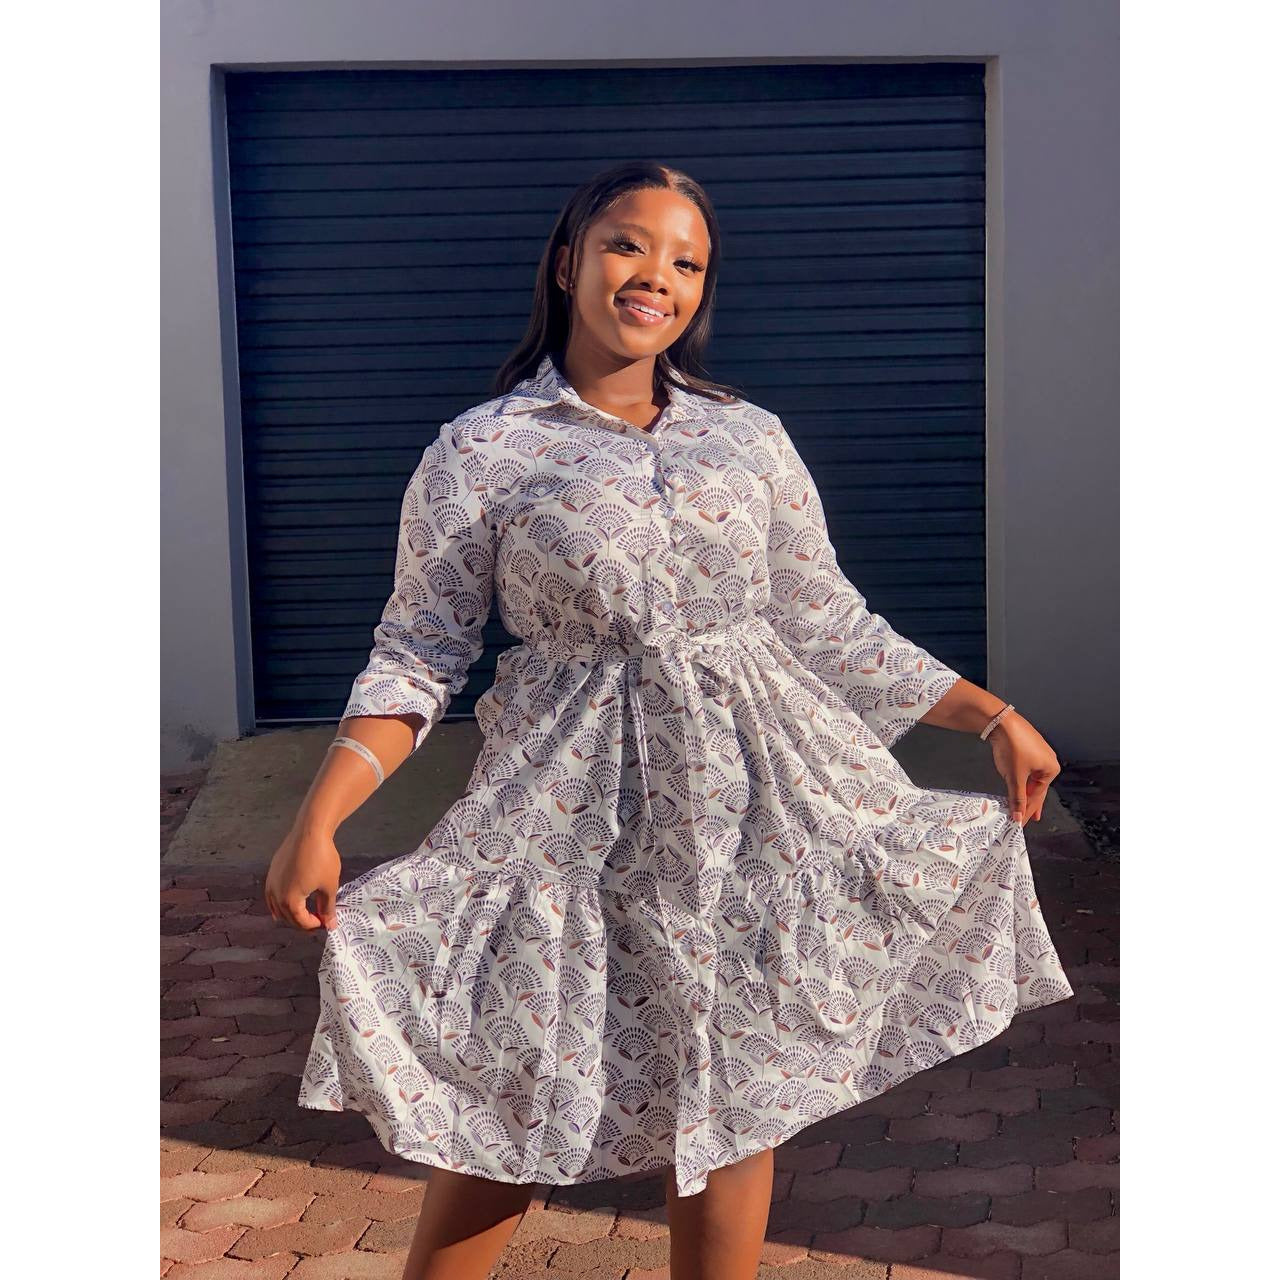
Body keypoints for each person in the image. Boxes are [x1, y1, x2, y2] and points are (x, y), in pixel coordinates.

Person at [264, 160, 1074, 1280]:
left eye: (686, 261)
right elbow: (419, 651)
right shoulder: (483, 449)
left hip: (755, 805)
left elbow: (824, 618)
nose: (656, 276)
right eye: (627, 245)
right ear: (568, 264)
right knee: (522, 1084)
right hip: (569, 815)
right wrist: (320, 819)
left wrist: (990, 716)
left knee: (738, 1090)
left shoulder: (746, 438)